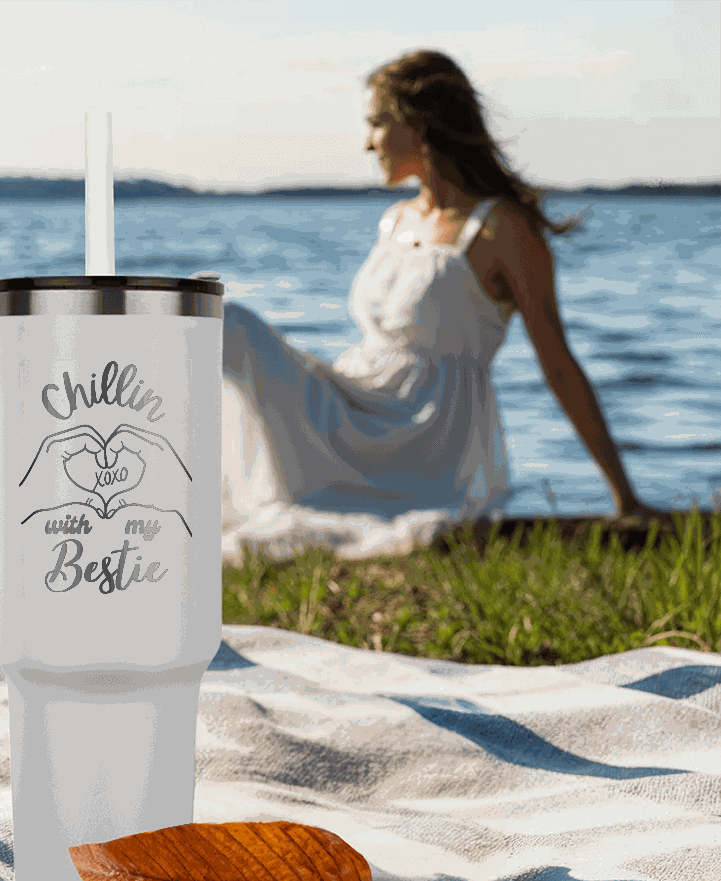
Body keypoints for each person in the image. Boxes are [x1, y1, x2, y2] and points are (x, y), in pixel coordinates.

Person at [220, 49, 664, 566]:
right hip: (353, 405)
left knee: (229, 324)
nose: (367, 143)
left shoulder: (502, 230)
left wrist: (624, 496)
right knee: (220, 322)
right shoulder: (395, 221)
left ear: (419, 125)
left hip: (424, 440)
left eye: (377, 124)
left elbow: (557, 362)